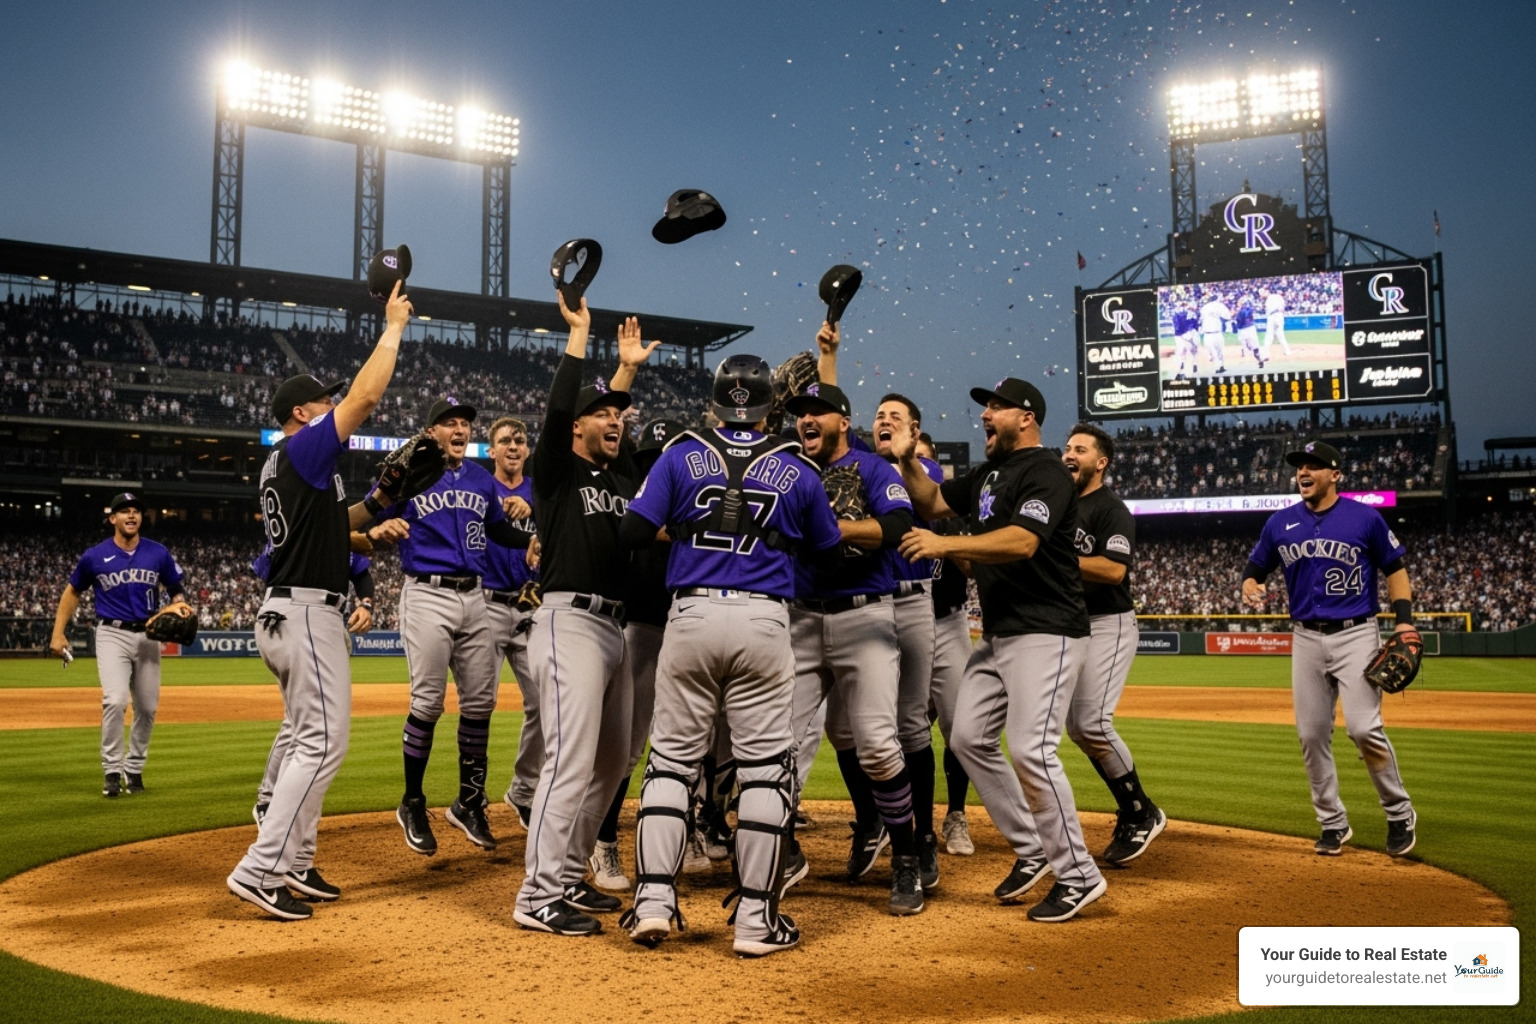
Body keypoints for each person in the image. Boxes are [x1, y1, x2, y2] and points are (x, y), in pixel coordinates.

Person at [619, 354, 842, 955]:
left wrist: (690, 527)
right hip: (764, 618)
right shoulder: (797, 465)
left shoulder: (680, 452)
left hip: (690, 614)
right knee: (765, 769)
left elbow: (634, 532)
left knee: (670, 763)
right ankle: (754, 920)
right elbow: (828, 550)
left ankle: (653, 902)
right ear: (771, 404)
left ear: (714, 402)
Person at [226, 280, 411, 921]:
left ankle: (296, 862)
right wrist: (392, 327)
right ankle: (262, 866)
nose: (331, 405)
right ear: (302, 414)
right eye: (320, 402)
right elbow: (367, 394)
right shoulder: (306, 447)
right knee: (323, 742)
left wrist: (380, 505)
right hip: (305, 610)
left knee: (308, 735)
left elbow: (341, 520)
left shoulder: (291, 464)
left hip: (291, 608)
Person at [891, 377, 1107, 923]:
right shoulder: (990, 473)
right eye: (985, 406)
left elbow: (1023, 541)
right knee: (967, 738)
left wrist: (946, 544)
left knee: (1033, 748)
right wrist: (906, 461)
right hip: (1001, 631)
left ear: (1026, 416)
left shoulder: (1046, 472)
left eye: (996, 407)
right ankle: (1034, 849)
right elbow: (933, 501)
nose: (986, 414)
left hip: (1049, 628)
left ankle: (1079, 873)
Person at [513, 299, 658, 936]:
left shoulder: (621, 475)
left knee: (613, 761)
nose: (614, 422)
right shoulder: (555, 472)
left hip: (615, 629)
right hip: (566, 621)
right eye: (599, 415)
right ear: (575, 427)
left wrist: (624, 376)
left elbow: (616, 423)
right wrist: (580, 340)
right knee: (570, 758)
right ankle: (536, 894)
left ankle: (570, 874)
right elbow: (556, 413)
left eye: (618, 416)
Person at [784, 373, 924, 916]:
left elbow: (895, 527)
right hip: (798, 619)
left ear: (843, 421)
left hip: (865, 616)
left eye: (817, 411)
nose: (806, 419)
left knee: (877, 744)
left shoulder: (871, 467)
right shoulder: (789, 469)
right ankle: (780, 850)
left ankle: (906, 860)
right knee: (781, 748)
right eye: (800, 412)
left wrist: (829, 529)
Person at [1241, 440, 1419, 857]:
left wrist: (1405, 619)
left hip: (1357, 632)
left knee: (1363, 729)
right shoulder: (1279, 522)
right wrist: (1250, 584)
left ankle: (1398, 812)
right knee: (1311, 734)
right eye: (1300, 466)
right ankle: (1333, 822)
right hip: (1304, 637)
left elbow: (1395, 569)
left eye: (1314, 466)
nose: (1304, 472)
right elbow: (1255, 568)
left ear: (1335, 474)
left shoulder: (1365, 518)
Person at [385, 398, 532, 856]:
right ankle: (411, 801)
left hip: (475, 595)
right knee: (428, 703)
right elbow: (369, 520)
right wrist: (381, 523)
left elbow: (496, 530)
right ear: (431, 433)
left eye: (466, 422)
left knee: (480, 704)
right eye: (450, 422)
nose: (461, 428)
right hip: (426, 592)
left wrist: (533, 540)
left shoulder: (480, 480)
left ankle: (470, 801)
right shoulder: (409, 476)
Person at [588, 416, 687, 892]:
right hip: (641, 626)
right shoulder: (633, 498)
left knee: (695, 745)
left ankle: (699, 831)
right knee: (628, 748)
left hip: (688, 625)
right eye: (650, 459)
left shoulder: (689, 491)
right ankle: (603, 840)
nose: (657, 467)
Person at [1061, 424, 1166, 865]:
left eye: (1079, 449)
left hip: (1109, 622)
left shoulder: (1110, 508)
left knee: (1090, 723)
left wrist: (1057, 556)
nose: (1069, 454)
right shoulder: (1058, 506)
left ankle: (1141, 811)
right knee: (1075, 727)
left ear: (1100, 462)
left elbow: (1113, 570)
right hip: (1068, 623)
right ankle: (1133, 810)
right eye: (1067, 447)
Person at [50, 492, 193, 798]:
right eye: (124, 511)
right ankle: (112, 770)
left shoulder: (158, 553)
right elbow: (72, 591)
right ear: (112, 518)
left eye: (136, 511)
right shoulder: (95, 556)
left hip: (148, 635)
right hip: (111, 633)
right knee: (115, 700)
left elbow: (175, 589)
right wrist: (57, 632)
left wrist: (179, 606)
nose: (131, 516)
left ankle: (135, 769)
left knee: (148, 707)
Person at [252, 543, 379, 824]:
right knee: (299, 725)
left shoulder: (333, 529)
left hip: (327, 622)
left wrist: (366, 603)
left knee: (298, 723)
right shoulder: (294, 529)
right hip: (297, 619)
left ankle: (272, 802)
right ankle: (269, 802)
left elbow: (360, 572)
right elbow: (267, 570)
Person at [916, 434, 976, 858]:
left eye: (923, 460)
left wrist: (948, 525)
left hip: (950, 623)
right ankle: (905, 821)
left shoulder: (953, 507)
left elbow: (973, 566)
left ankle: (956, 814)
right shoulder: (882, 499)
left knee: (961, 730)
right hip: (902, 623)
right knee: (902, 732)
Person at [484, 417, 541, 830]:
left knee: (543, 702)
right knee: (477, 707)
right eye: (504, 440)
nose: (513, 446)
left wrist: (535, 507)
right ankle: (472, 799)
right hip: (484, 603)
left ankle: (522, 791)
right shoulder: (480, 487)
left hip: (530, 607)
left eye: (519, 440)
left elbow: (568, 521)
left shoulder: (541, 490)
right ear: (492, 451)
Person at [1199, 295, 1233, 374]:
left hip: (1207, 334)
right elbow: (1228, 316)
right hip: (1217, 333)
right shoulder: (1219, 305)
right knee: (1219, 351)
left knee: (1213, 352)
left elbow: (1200, 319)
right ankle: (1220, 366)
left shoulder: (1204, 308)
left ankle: (1218, 367)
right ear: (1217, 299)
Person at [1261, 287, 1291, 358]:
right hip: (1280, 316)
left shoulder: (1269, 299)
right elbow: (1283, 308)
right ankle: (1287, 350)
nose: (1264, 294)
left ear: (1268, 292)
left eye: (1265, 292)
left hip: (1272, 317)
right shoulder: (1279, 297)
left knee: (1269, 336)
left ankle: (1266, 354)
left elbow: (1267, 310)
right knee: (1280, 335)